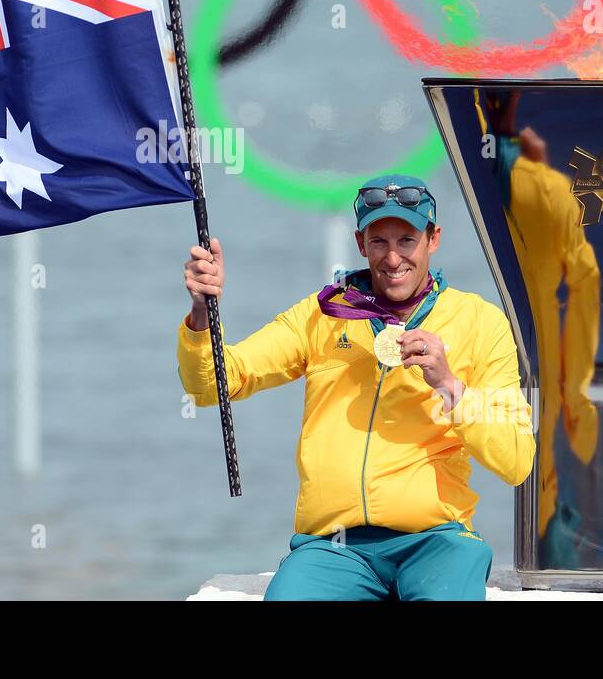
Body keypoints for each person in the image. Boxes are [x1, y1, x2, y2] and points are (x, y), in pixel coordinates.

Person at [177, 174, 535, 601]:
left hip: (437, 540)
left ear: (433, 239)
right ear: (360, 243)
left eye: (406, 239)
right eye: (378, 241)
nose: (393, 257)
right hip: (335, 547)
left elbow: (516, 460)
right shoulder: (322, 313)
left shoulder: (480, 321)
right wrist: (202, 314)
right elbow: (210, 386)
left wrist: (449, 384)